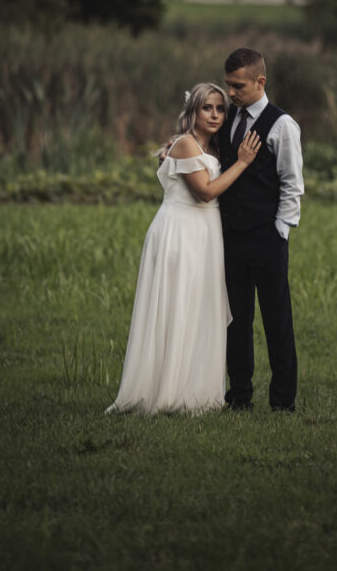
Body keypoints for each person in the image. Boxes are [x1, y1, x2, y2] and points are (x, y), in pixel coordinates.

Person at [105, 82, 261, 415]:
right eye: (208, 108)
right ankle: (167, 391)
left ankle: (196, 391)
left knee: (200, 307)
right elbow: (205, 192)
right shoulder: (187, 145)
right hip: (181, 232)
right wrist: (243, 163)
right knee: (177, 305)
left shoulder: (208, 148)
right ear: (193, 111)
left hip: (205, 234)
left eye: (221, 109)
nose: (216, 115)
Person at [219, 47, 304, 413]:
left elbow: (291, 184)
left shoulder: (282, 125)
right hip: (229, 238)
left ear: (260, 81)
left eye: (238, 86)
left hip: (267, 239)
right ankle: (239, 397)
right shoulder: (226, 119)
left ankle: (283, 402)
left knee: (276, 321)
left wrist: (279, 231)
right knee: (235, 321)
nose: (232, 93)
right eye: (228, 86)